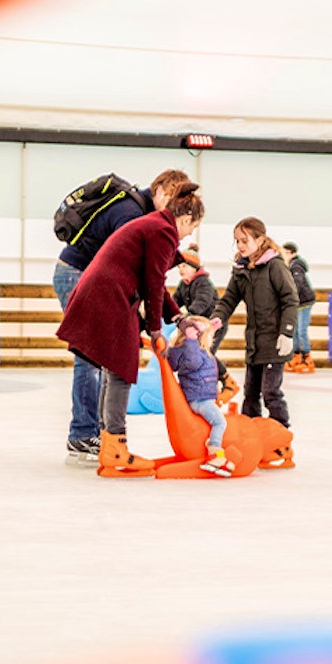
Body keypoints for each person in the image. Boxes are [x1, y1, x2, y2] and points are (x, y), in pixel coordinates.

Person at [56, 183, 205, 477]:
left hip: (104, 290)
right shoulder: (164, 231)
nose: (189, 234)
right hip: (109, 293)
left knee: (114, 369)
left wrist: (176, 319)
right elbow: (152, 282)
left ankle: (108, 443)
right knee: (121, 369)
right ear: (185, 219)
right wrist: (154, 330)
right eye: (193, 227)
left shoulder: (154, 224)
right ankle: (115, 446)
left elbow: (156, 285)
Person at [211, 217, 299, 427]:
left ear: (260, 240)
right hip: (254, 343)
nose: (240, 246)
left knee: (271, 392)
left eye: (244, 240)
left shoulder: (274, 266)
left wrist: (286, 332)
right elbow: (229, 299)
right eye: (237, 241)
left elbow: (291, 299)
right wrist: (216, 319)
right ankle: (250, 434)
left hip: (275, 342)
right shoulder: (242, 269)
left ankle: (280, 437)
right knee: (250, 394)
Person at [165, 314, 234, 478]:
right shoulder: (190, 351)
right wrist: (191, 340)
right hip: (199, 399)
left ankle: (213, 452)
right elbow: (193, 363)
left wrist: (211, 328)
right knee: (219, 422)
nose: (211, 339)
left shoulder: (197, 349)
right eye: (208, 335)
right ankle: (215, 454)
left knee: (217, 421)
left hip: (203, 396)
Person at [174, 245, 240, 404]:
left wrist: (189, 314)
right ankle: (213, 387)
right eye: (179, 266)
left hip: (213, 325)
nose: (181, 270)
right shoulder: (184, 284)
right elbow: (175, 301)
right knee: (201, 354)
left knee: (206, 354)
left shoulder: (203, 282)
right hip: (198, 327)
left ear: (194, 267)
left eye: (184, 266)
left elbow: (201, 302)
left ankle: (228, 382)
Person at [281, 241, 316, 373]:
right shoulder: (288, 265)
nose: (283, 255)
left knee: (301, 331)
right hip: (296, 303)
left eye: (285, 253)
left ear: (293, 253)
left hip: (304, 302)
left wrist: (288, 296)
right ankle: (295, 356)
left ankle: (307, 358)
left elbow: (297, 283)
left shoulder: (297, 266)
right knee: (294, 331)